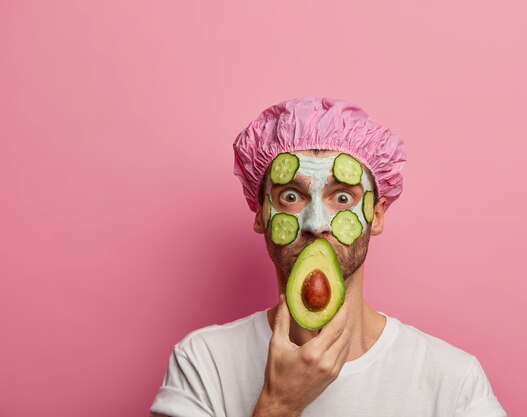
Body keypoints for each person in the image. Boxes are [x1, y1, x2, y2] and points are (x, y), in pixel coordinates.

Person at [150, 97, 507, 417]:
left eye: (342, 198)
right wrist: (279, 405)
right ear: (259, 213)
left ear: (377, 214)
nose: (316, 224)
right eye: (291, 197)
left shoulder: (454, 381)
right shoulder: (202, 362)